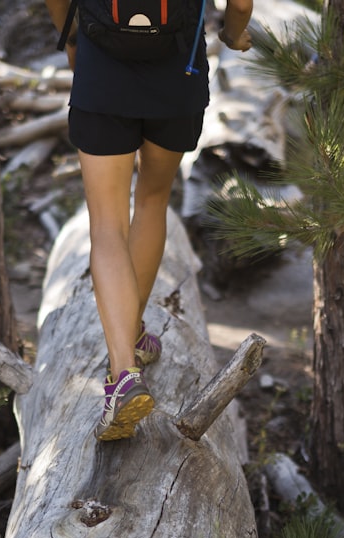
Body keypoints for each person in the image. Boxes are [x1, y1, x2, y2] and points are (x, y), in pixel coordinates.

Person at [44, 0, 254, 440]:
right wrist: (234, 35)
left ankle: (123, 372)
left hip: (102, 74)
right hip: (178, 77)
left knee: (106, 226)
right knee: (153, 201)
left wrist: (72, 41)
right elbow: (241, 4)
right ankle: (133, 336)